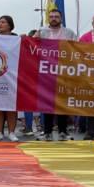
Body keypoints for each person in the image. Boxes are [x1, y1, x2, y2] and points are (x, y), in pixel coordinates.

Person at [37, 9, 77, 141]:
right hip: (46, 72)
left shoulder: (69, 32)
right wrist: (33, 39)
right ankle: (47, 131)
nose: (54, 18)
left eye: (56, 17)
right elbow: (33, 48)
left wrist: (73, 44)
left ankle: (63, 131)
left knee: (61, 103)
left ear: (61, 19)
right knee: (46, 102)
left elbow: (78, 50)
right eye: (51, 16)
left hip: (63, 72)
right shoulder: (42, 32)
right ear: (48, 18)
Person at [0, 15, 20, 142]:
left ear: (10, 25)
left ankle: (11, 133)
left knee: (11, 105)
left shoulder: (16, 38)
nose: (0, 24)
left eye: (3, 22)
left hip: (12, 76)